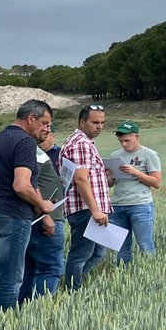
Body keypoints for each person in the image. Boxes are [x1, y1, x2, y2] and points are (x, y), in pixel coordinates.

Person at [0, 100, 55, 312]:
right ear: (31, 119)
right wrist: (43, 205)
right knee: (11, 277)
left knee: (3, 270)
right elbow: (21, 185)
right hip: (13, 215)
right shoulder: (25, 142)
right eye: (44, 122)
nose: (46, 128)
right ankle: (5, 324)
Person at [61, 105, 111, 287]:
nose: (99, 126)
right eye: (95, 122)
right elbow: (81, 179)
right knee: (81, 254)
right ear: (82, 122)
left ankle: (71, 283)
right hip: (86, 210)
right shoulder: (80, 144)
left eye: (102, 123)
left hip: (90, 209)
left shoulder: (83, 142)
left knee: (98, 253)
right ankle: (72, 290)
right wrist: (95, 210)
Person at [18, 126, 65, 302]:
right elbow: (30, 183)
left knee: (29, 270)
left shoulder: (24, 151)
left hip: (31, 218)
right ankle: (39, 311)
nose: (46, 131)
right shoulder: (31, 152)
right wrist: (46, 216)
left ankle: (23, 310)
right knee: (50, 269)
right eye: (43, 126)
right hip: (43, 219)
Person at [107, 121, 160, 264]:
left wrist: (135, 172)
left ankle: (150, 271)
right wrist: (107, 175)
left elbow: (156, 182)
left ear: (136, 136)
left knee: (145, 244)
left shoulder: (149, 154)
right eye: (120, 141)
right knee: (122, 246)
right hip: (118, 205)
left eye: (127, 140)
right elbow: (111, 183)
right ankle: (123, 273)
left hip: (140, 205)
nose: (124, 144)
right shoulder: (115, 155)